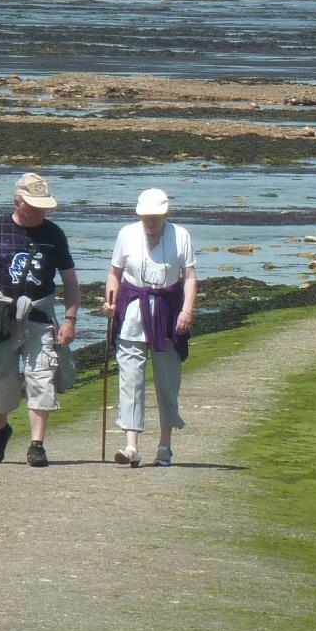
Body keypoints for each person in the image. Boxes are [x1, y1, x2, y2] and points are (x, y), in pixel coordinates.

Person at [0, 172, 80, 468]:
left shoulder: (54, 234)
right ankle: (2, 429)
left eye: (44, 206)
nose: (41, 211)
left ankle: (37, 445)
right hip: (1, 315)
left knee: (41, 377)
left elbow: (70, 281)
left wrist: (69, 319)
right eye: (35, 205)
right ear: (18, 202)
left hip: (40, 316)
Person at [102, 188, 196, 468]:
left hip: (168, 312)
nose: (150, 221)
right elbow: (114, 274)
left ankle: (165, 446)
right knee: (131, 380)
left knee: (167, 381)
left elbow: (189, 277)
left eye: (155, 216)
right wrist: (110, 302)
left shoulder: (181, 236)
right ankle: (131, 446)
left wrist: (187, 310)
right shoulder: (126, 234)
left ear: (165, 214)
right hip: (132, 312)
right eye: (145, 216)